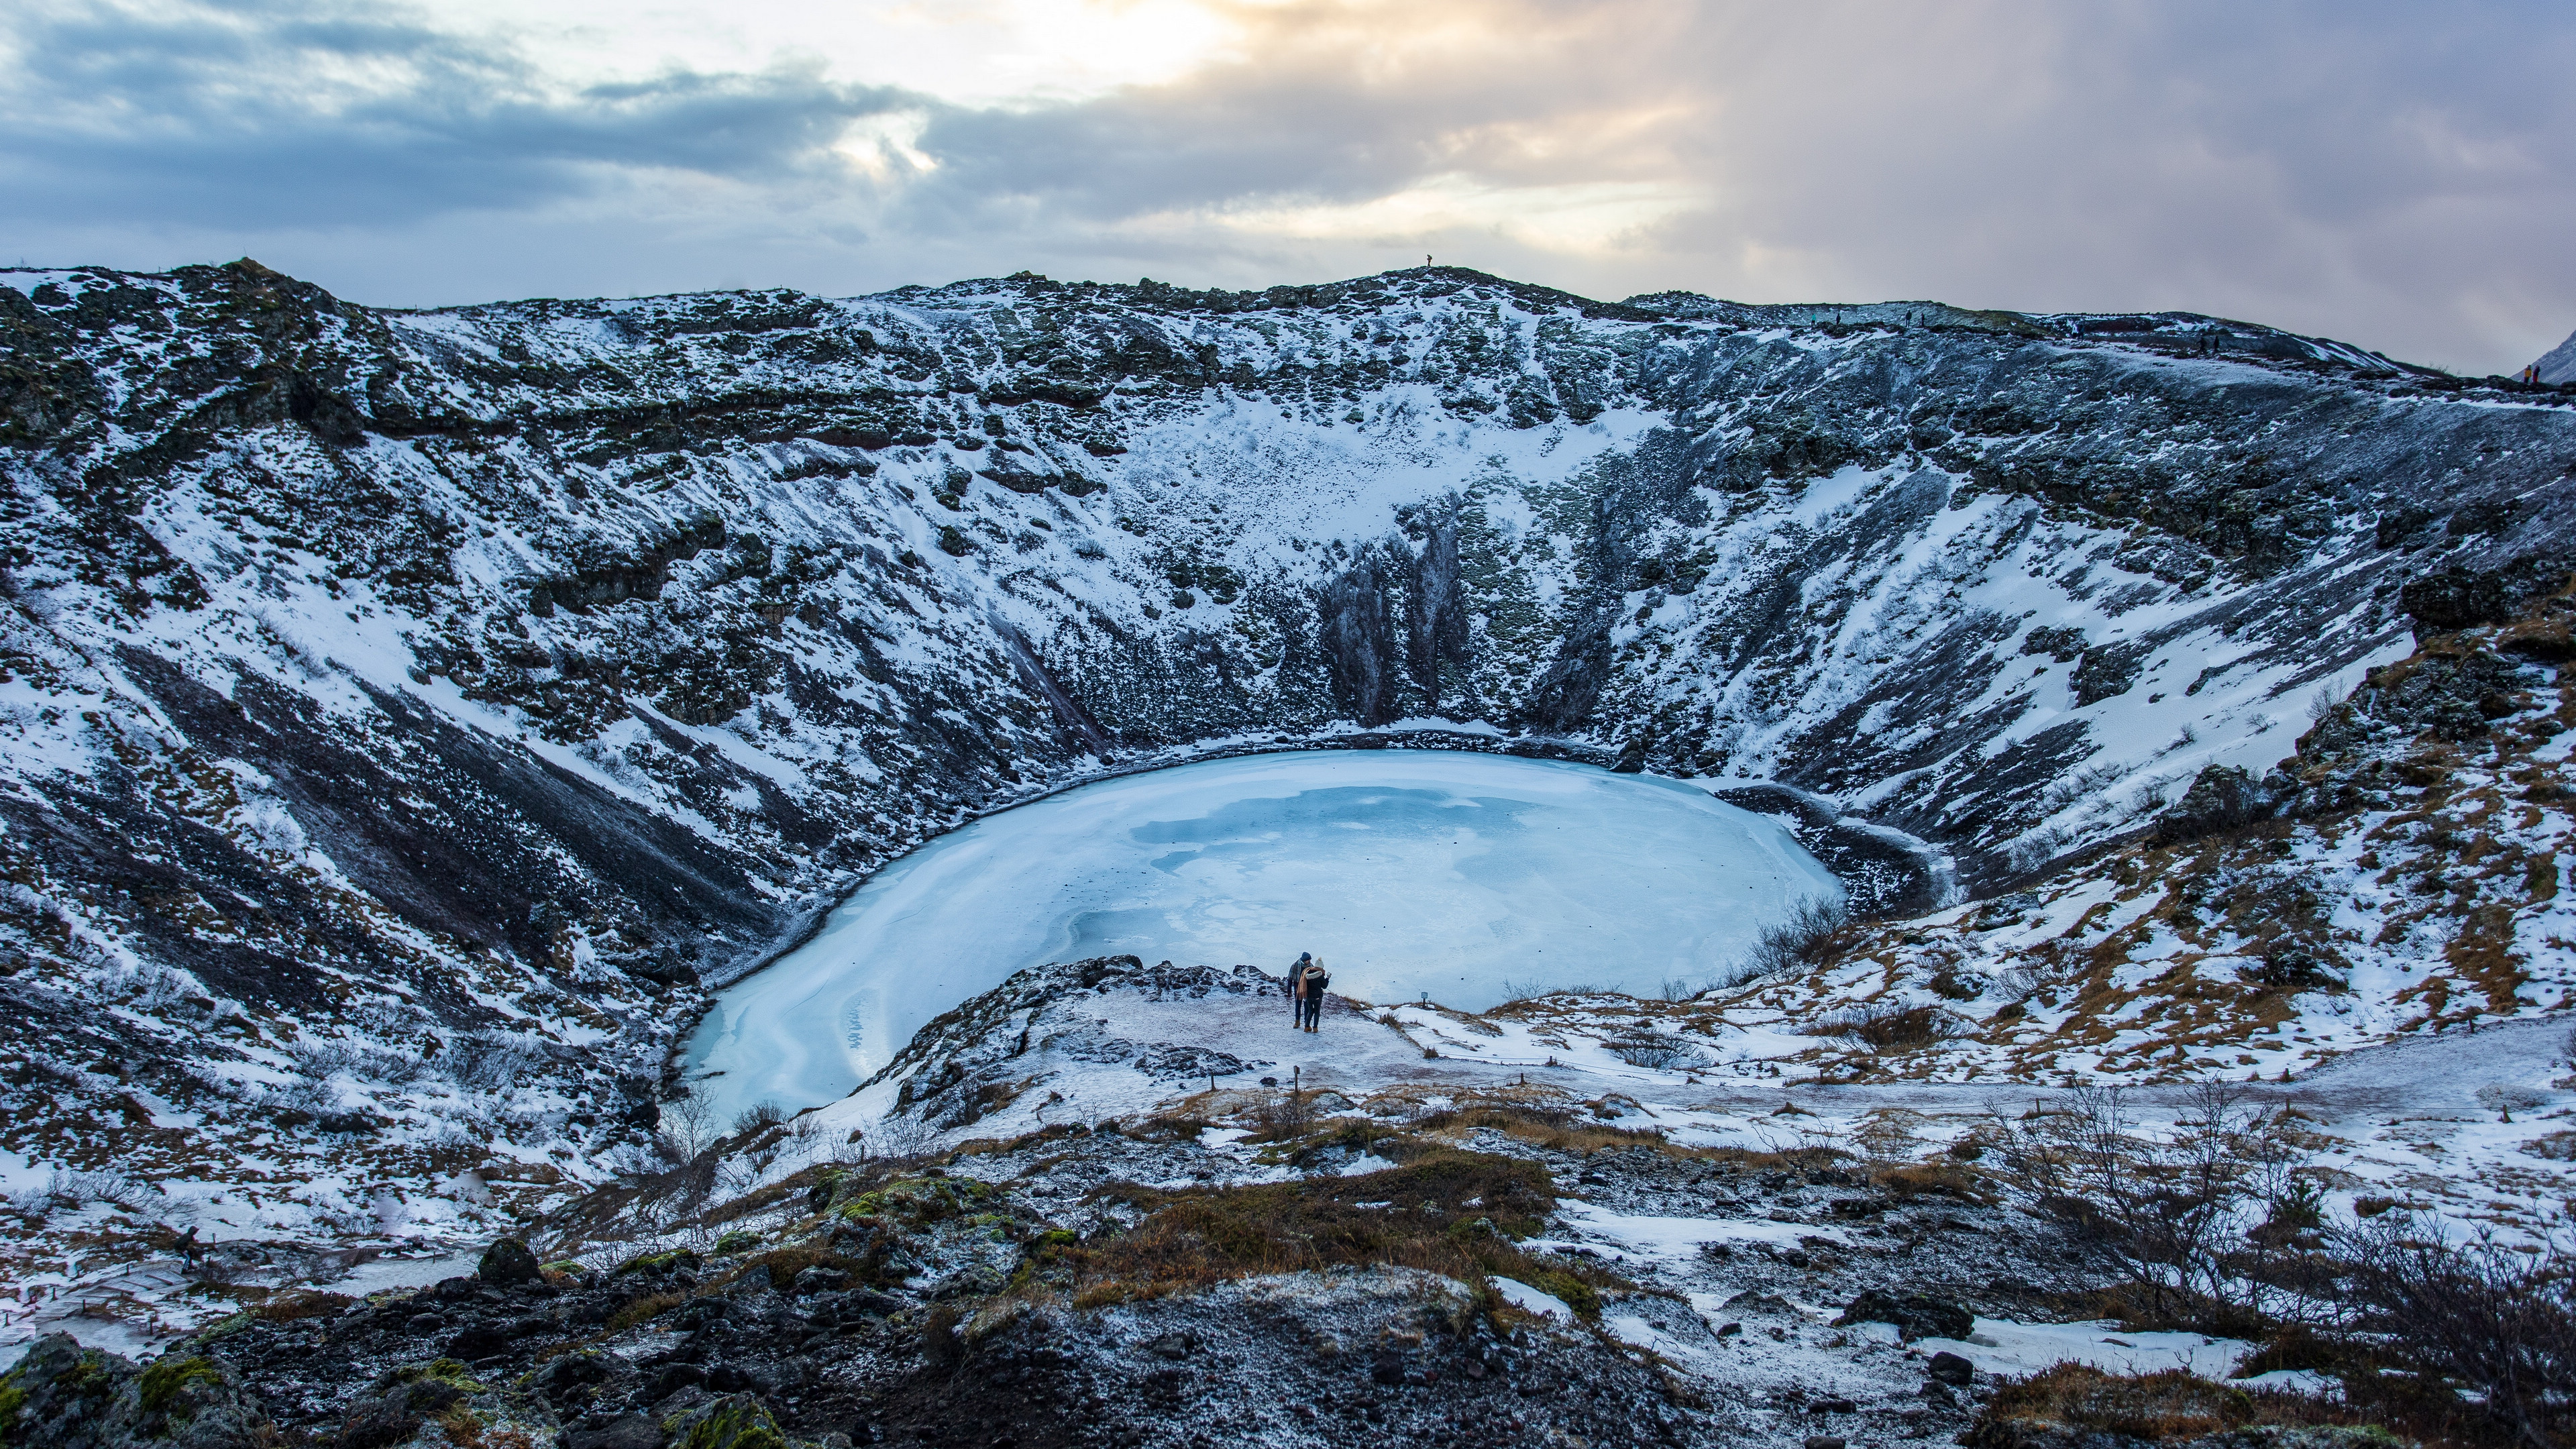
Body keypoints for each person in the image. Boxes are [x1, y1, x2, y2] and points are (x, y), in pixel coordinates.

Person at [1297, 958, 1330, 1032]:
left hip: (1308, 996)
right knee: (1317, 1012)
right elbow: (1324, 986)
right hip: (1317, 997)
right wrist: (1327, 979)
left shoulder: (1308, 973)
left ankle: (1306, 1027)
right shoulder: (1320, 975)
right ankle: (1315, 1028)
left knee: (1310, 1011)